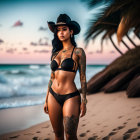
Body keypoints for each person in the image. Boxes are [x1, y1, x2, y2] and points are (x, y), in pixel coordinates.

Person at [44, 13, 87, 140]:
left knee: (70, 136)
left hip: (71, 96)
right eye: (58, 30)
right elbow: (52, 78)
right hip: (53, 96)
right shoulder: (55, 53)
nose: (61, 33)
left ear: (71, 31)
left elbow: (83, 77)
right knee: (58, 135)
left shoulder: (78, 52)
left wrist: (84, 100)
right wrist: (46, 98)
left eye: (64, 29)